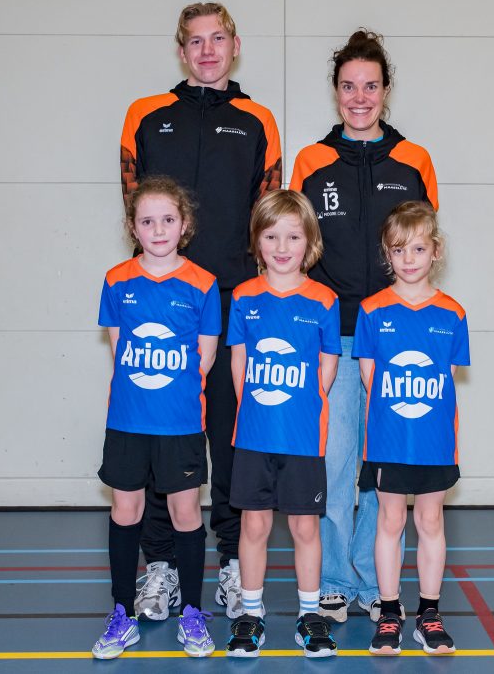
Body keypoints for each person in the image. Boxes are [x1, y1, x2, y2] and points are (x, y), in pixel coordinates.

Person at [119, 2, 283, 620]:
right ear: (181, 49)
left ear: (235, 45)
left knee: (232, 436)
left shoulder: (258, 120)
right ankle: (160, 566)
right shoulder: (145, 115)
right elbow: (135, 208)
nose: (207, 50)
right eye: (195, 40)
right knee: (162, 436)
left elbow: (268, 215)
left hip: (234, 303)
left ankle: (234, 562)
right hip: (161, 306)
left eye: (218, 39)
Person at [289, 29, 438, 622]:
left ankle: (376, 580)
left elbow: (422, 247)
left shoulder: (415, 161)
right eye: (349, 86)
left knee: (382, 468)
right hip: (333, 336)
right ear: (335, 91)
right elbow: (293, 251)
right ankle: (333, 578)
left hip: (395, 339)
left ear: (385, 91)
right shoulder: (311, 161)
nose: (359, 97)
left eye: (370, 86)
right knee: (333, 462)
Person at [92, 177, 220, 658]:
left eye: (168, 219)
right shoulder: (116, 280)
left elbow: (204, 360)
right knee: (125, 511)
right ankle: (121, 613)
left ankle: (192, 613)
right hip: (128, 422)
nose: (158, 229)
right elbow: (119, 351)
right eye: (147, 221)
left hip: (179, 425)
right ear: (133, 227)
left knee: (186, 514)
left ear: (184, 225)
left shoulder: (203, 284)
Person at [223, 190, 340, 658]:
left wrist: (300, 407)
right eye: (271, 236)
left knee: (305, 528)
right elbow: (239, 364)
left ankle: (309, 615)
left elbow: (326, 366)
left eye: (293, 236)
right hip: (254, 435)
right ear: (257, 241)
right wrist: (259, 410)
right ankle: (250, 614)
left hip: (303, 437)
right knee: (253, 525)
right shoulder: (244, 296)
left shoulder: (324, 300)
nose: (282, 247)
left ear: (309, 241)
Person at [354, 201, 468, 655]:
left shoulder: (453, 314)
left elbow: (446, 378)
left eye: (418, 248)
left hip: (434, 442)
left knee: (430, 520)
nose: (409, 258)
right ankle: (388, 612)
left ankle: (429, 613)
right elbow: (370, 378)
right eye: (398, 249)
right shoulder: (372, 310)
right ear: (388, 254)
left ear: (435, 251)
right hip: (388, 440)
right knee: (390, 520)